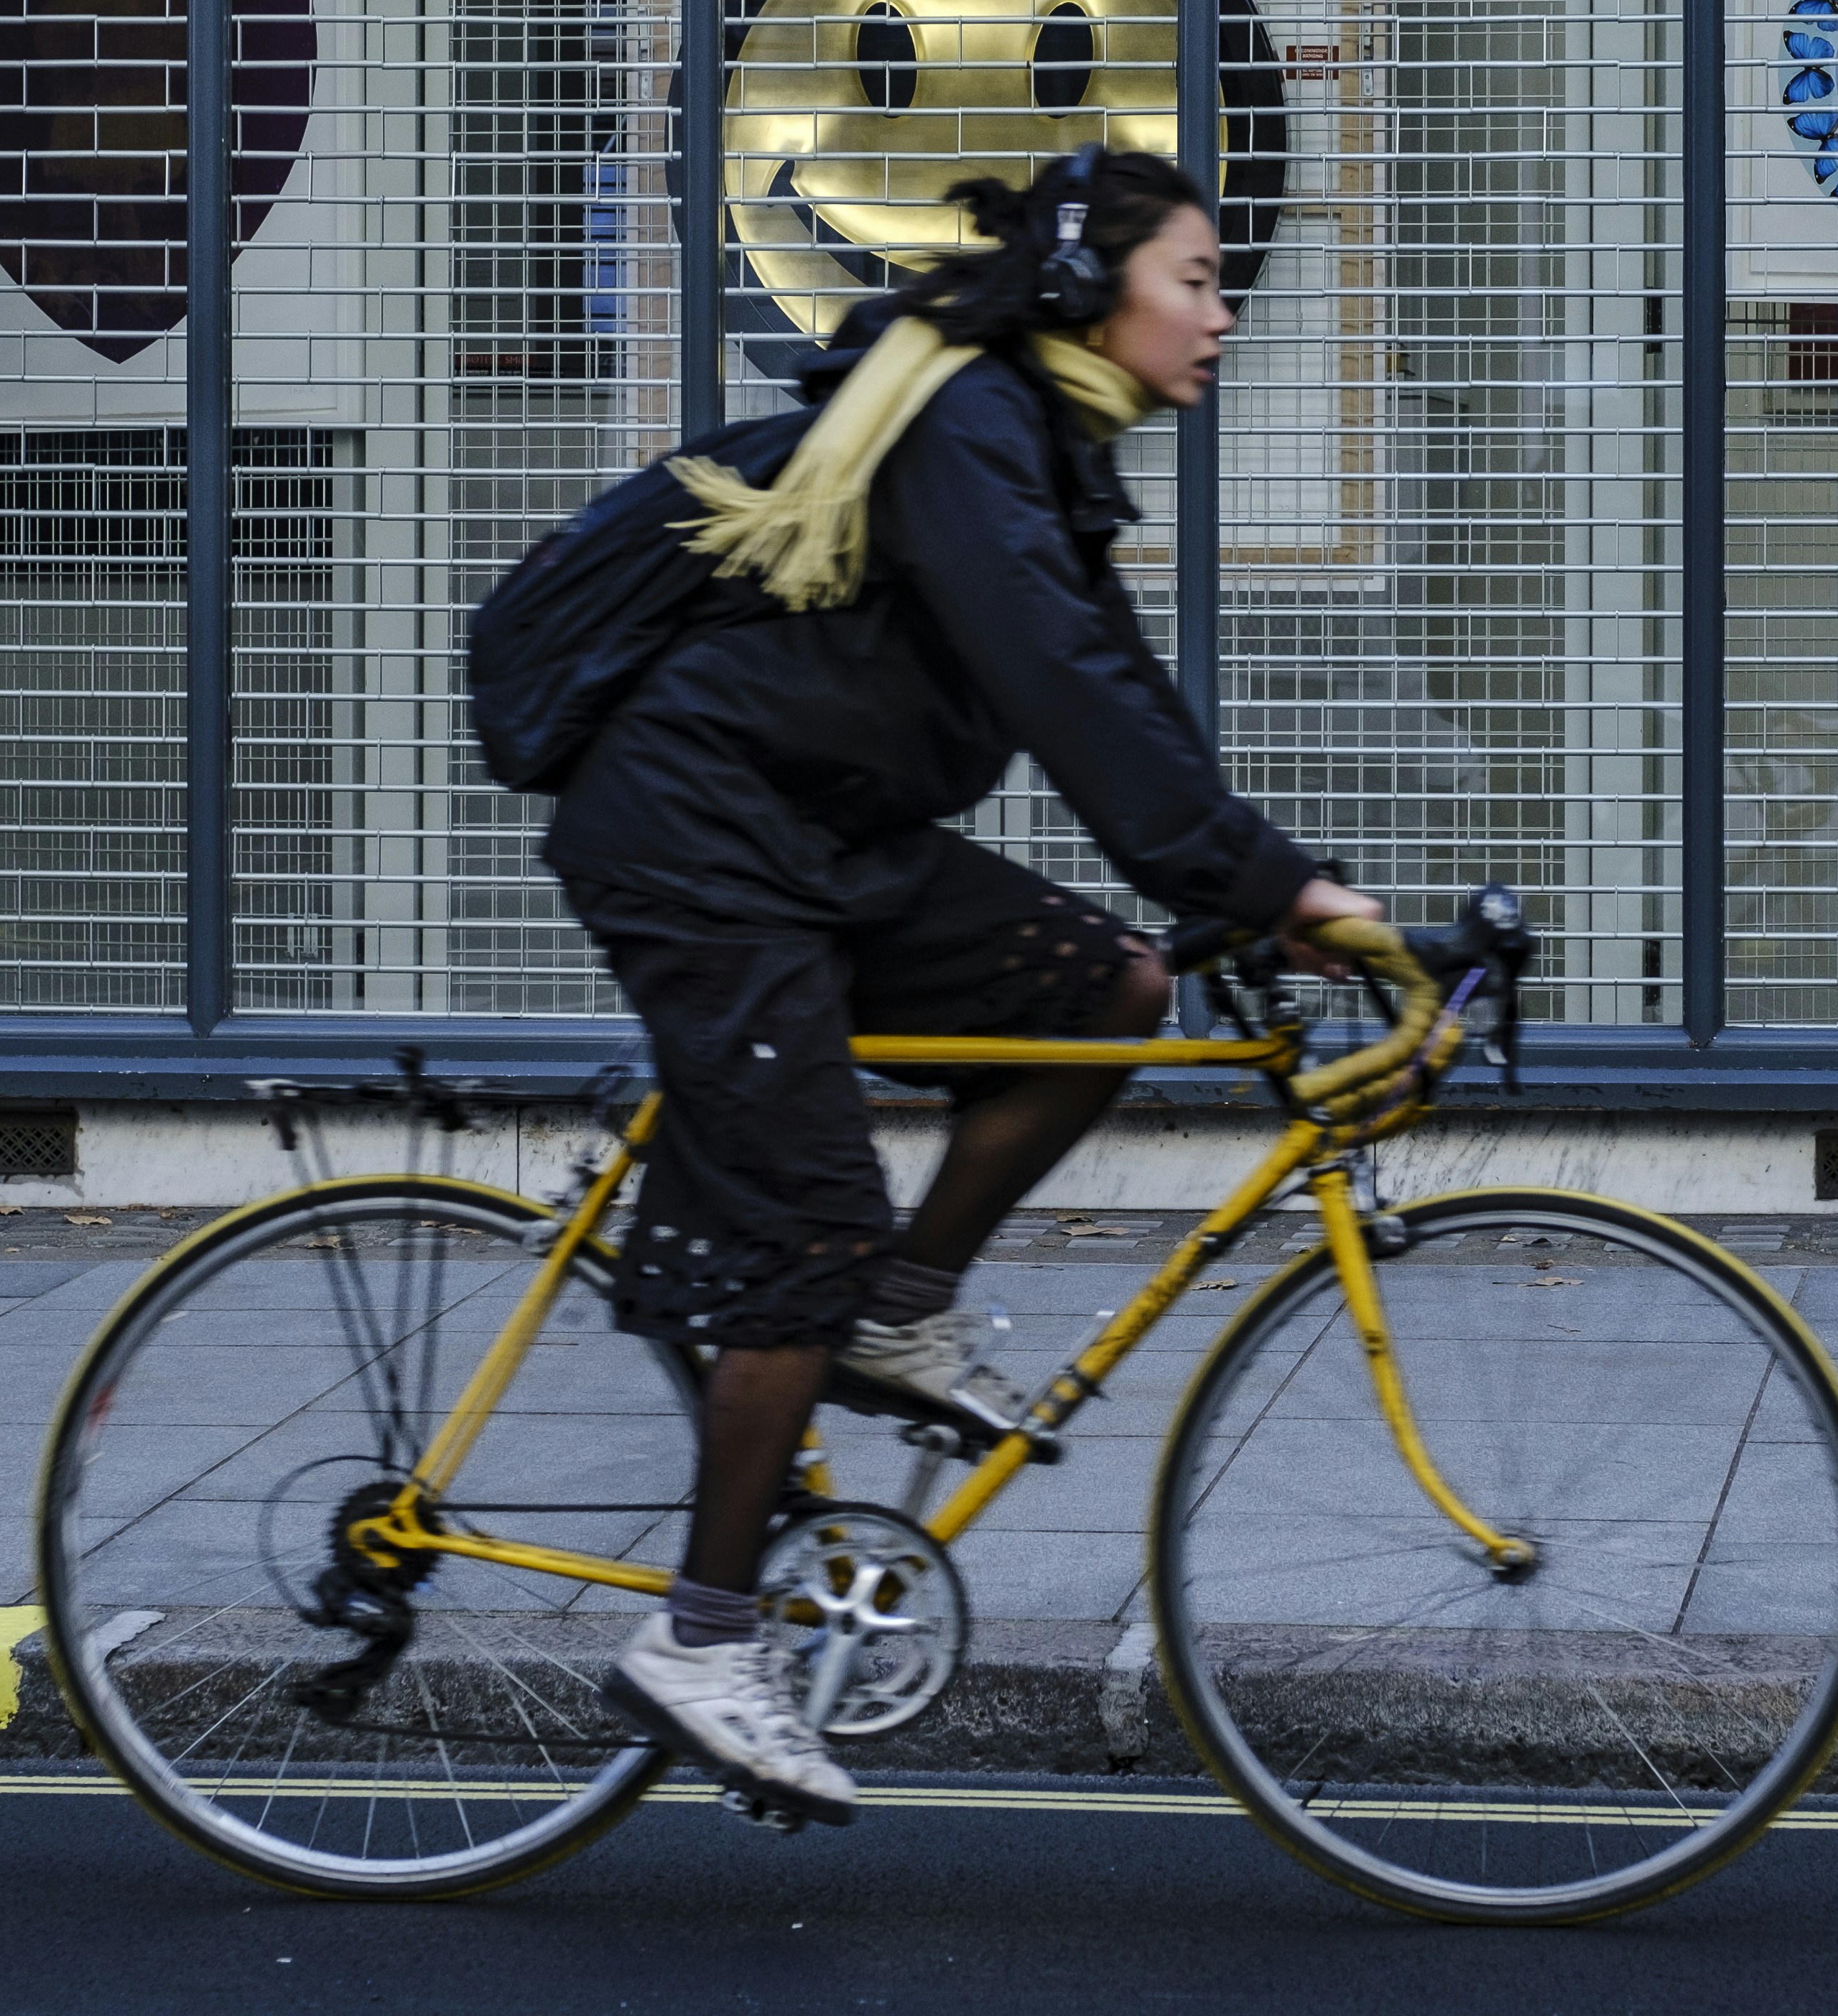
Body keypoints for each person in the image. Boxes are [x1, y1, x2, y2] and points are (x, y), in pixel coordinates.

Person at [547, 147, 1383, 1825]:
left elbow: (1126, 702)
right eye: (1199, 280)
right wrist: (1277, 885)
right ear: (1092, 290)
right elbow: (1063, 686)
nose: (1224, 312)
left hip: (822, 843)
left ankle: (894, 1309)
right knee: (806, 1227)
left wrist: (1261, 895)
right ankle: (705, 1642)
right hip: (707, 847)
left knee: (1108, 989)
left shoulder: (1043, 447)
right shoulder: (970, 429)